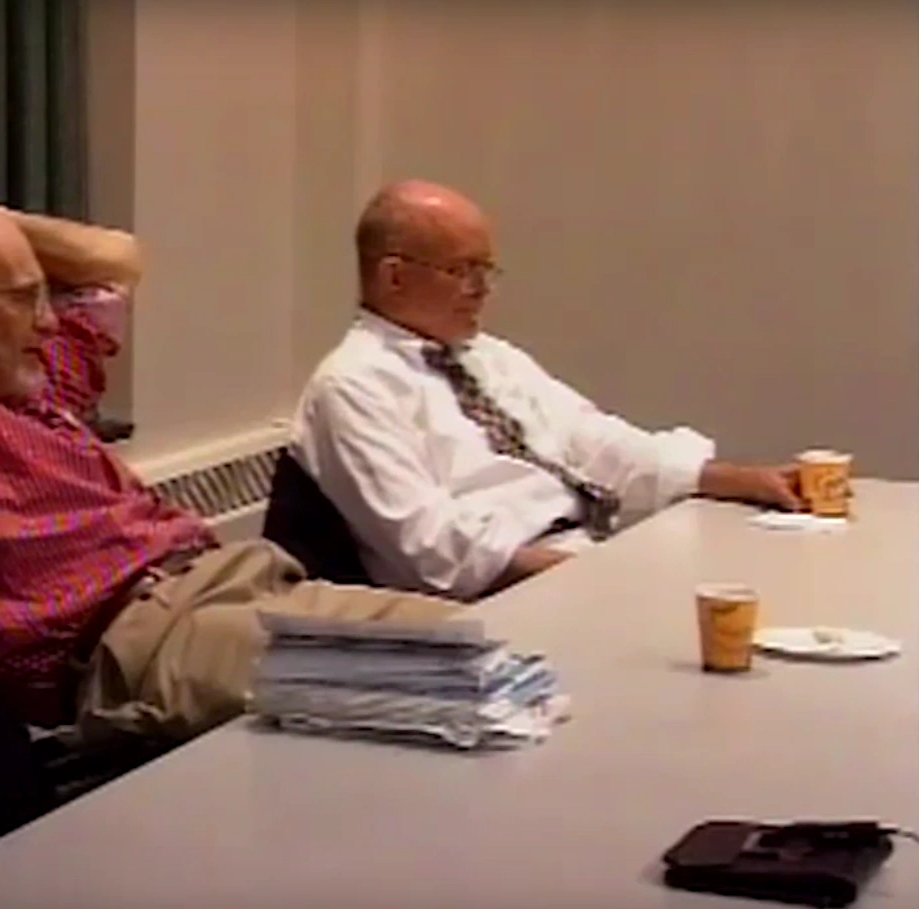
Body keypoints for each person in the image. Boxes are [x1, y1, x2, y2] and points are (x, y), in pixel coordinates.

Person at [0, 181, 460, 743]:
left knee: (478, 640)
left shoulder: (35, 384)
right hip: (139, 646)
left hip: (230, 585)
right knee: (439, 685)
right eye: (25, 297)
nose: (48, 323)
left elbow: (116, 260)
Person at [290, 179, 805, 601]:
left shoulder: (486, 356)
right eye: (463, 271)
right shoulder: (353, 387)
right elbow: (432, 550)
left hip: (584, 556)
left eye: (486, 270)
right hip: (500, 598)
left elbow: (593, 442)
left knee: (766, 577)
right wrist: (600, 580)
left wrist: (744, 481)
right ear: (394, 277)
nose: (482, 290)